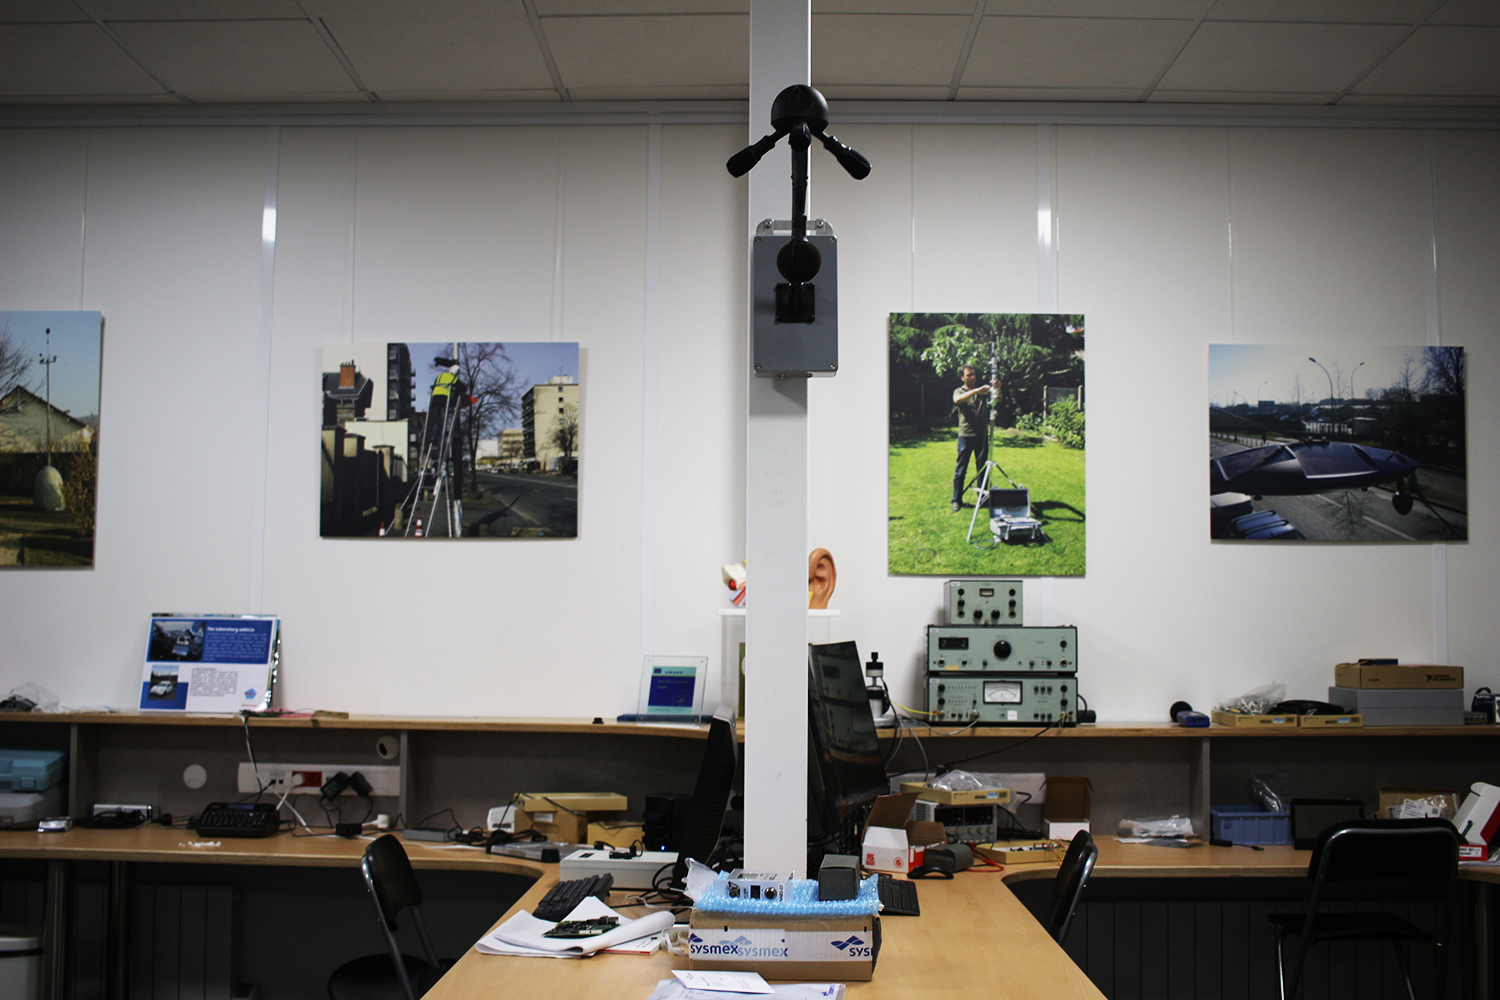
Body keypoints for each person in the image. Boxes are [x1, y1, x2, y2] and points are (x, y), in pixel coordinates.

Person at [951, 364, 999, 511]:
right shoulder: (960, 391)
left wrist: (997, 387)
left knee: (982, 469)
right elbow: (957, 400)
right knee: (961, 470)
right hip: (966, 436)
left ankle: (983, 498)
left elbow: (999, 398)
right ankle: (956, 500)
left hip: (982, 436)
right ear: (962, 377)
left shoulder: (984, 392)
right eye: (969, 375)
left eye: (974, 375)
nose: (972, 377)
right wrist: (976, 391)